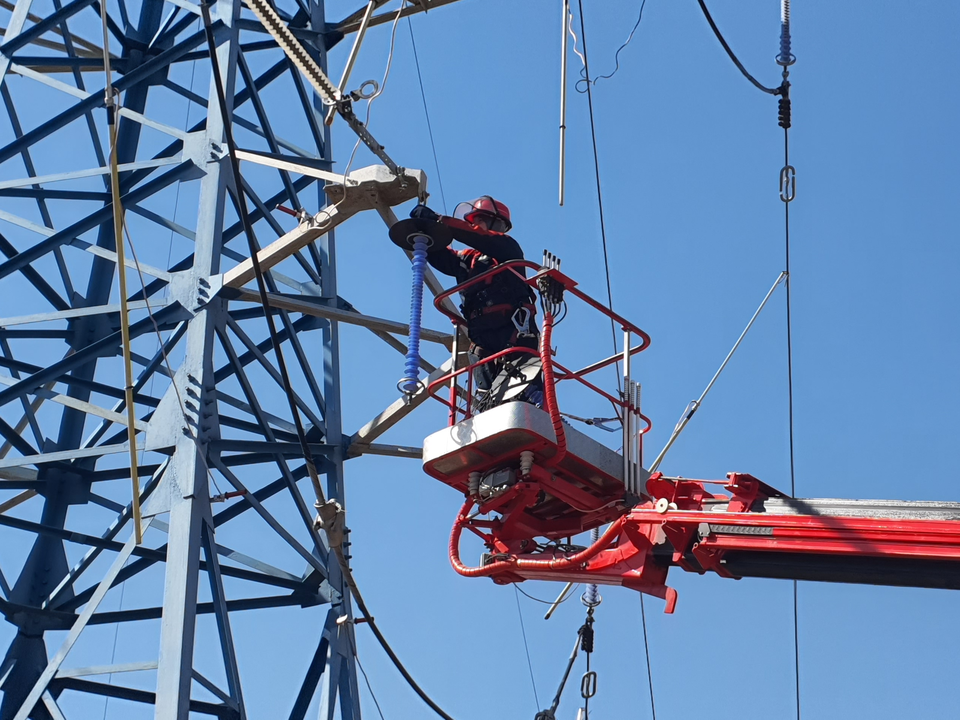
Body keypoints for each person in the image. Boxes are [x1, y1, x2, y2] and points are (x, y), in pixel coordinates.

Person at [410, 196, 543, 410]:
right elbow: (440, 255)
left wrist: (439, 220)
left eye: (479, 220)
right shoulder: (466, 260)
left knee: (524, 399)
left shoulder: (508, 250)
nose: (473, 225)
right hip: (481, 342)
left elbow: (479, 237)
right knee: (486, 404)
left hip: (514, 333)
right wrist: (424, 230)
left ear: (496, 224)